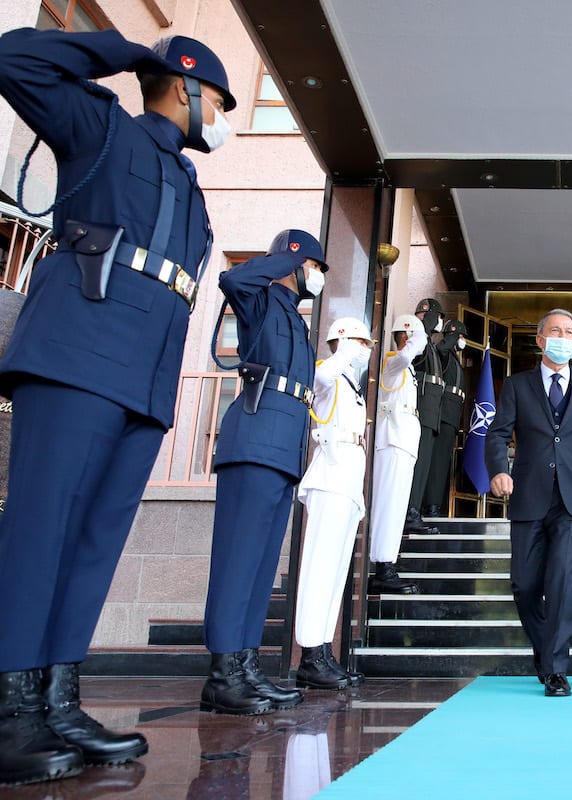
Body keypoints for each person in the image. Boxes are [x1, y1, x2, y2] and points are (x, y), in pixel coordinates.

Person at [0, 27, 235, 783]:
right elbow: (13, 59)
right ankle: (11, 704)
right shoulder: (100, 126)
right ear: (184, 88)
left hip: (143, 378)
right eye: (220, 103)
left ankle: (58, 696)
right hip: (76, 357)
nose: (222, 119)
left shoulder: (193, 192)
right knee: (41, 529)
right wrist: (128, 50)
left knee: (95, 542)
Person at [201, 230, 328, 716]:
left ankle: (246, 666)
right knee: (238, 560)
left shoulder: (295, 319)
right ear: (295, 265)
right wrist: (281, 261)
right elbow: (231, 278)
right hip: (254, 441)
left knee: (258, 567)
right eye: (314, 265)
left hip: (283, 449)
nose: (318, 276)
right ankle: (223, 674)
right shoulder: (262, 298)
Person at [485, 309, 572, 697]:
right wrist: (498, 470)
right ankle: (545, 649)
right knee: (525, 585)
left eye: (570, 332)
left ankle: (556, 666)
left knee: (562, 579)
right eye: (555, 331)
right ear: (540, 340)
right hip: (528, 495)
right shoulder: (517, 385)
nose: (563, 337)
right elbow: (497, 434)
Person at [292, 317, 375, 691]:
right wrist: (343, 352)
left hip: (347, 483)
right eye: (363, 343)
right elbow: (320, 379)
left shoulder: (352, 385)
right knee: (320, 567)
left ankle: (323, 651)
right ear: (343, 342)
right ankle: (309, 653)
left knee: (337, 569)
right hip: (329, 478)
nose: (368, 350)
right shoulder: (329, 374)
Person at [367, 314, 426, 595]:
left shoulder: (407, 369)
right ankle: (382, 566)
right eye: (417, 337)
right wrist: (418, 338)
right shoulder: (392, 362)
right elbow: (403, 358)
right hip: (392, 441)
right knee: (388, 505)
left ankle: (387, 561)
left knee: (397, 504)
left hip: (404, 440)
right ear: (406, 336)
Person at [405, 298, 444, 535]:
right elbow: (413, 359)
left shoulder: (428, 343)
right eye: (436, 317)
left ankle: (414, 510)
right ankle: (410, 511)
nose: (439, 322)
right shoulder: (416, 340)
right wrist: (423, 327)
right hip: (420, 410)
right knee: (417, 466)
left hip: (430, 412)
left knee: (424, 465)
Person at [423, 318, 467, 516]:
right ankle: (431, 505)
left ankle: (435, 504)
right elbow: (441, 349)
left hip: (450, 415)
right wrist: (451, 338)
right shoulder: (444, 353)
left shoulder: (454, 358)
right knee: (437, 462)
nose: (463, 340)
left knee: (442, 463)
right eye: (461, 337)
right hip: (443, 414)